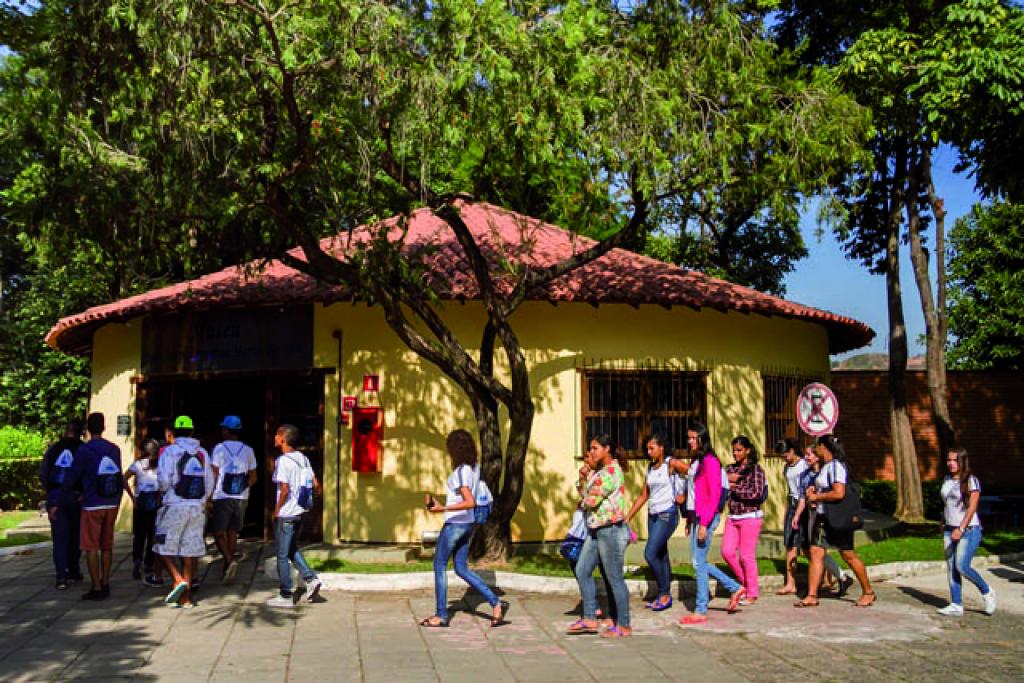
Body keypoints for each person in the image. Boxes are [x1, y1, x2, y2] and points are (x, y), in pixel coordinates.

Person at [420, 429, 507, 627]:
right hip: (468, 525)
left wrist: (443, 507)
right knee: (461, 568)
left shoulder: (460, 472)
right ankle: (495, 602)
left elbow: (469, 502)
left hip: (455, 525)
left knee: (439, 565)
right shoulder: (474, 468)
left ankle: (441, 615)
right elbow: (467, 499)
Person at [796, 434, 875, 608]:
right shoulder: (826, 467)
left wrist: (817, 496)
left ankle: (868, 591)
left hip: (837, 518)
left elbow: (839, 492)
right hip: (823, 517)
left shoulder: (836, 467)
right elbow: (825, 487)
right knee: (816, 552)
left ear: (825, 447)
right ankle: (812, 595)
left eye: (818, 446)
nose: (816, 449)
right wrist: (814, 490)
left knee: (848, 555)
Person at [679, 423, 745, 626]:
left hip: (706, 517)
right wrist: (691, 519)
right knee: (698, 561)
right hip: (697, 517)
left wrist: (704, 523)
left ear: (701, 438)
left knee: (698, 562)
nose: (689, 441)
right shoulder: (697, 461)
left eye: (692, 437)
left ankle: (700, 609)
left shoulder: (710, 461)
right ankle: (734, 587)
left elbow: (713, 493)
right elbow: (694, 494)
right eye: (688, 437)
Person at [567, 434, 632, 638]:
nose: (591, 452)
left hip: (610, 530)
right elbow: (585, 496)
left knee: (614, 578)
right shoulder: (600, 472)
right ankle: (589, 618)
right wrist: (584, 479)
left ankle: (624, 625)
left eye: (595, 448)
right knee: (582, 569)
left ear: (607, 449)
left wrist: (585, 494)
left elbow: (590, 501)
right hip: (596, 529)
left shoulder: (611, 472)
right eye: (591, 448)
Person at [55, 412, 123, 600]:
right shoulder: (114, 449)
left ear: (87, 429)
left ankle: (96, 586)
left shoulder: (84, 451)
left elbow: (72, 477)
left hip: (92, 503)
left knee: (91, 546)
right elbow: (117, 476)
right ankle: (106, 581)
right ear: (104, 427)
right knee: (107, 545)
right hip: (111, 502)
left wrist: (59, 499)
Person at [154, 415, 214, 609]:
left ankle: (178, 579)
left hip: (174, 505)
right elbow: (210, 482)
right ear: (191, 431)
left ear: (173, 433)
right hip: (197, 508)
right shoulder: (203, 453)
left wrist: (164, 494)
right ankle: (186, 598)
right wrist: (203, 501)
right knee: (189, 551)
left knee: (161, 545)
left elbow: (163, 480)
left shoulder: (170, 452)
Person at [625, 434, 689, 611]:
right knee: (660, 554)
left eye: (652, 448)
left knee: (650, 554)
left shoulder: (672, 463)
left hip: (667, 515)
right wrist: (628, 516)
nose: (648, 451)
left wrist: (684, 495)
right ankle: (664, 593)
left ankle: (664, 593)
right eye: (647, 448)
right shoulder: (651, 468)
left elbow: (695, 475)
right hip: (652, 515)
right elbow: (644, 495)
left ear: (662, 448)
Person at [267, 424, 324, 608]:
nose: (274, 437)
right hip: (300, 511)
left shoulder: (283, 461)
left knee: (282, 555)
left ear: (283, 438)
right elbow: (315, 483)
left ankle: (285, 594)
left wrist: (276, 510)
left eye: (277, 435)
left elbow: (284, 489)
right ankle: (310, 578)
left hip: (287, 514)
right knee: (291, 548)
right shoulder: (303, 459)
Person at [937, 447, 997, 617]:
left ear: (962, 461)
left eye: (955, 460)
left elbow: (972, 508)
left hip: (969, 530)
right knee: (951, 568)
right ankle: (956, 603)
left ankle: (987, 592)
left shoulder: (971, 480)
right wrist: (943, 521)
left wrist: (961, 528)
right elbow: (947, 503)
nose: (951, 463)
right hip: (949, 529)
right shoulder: (947, 479)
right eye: (949, 460)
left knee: (962, 566)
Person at [792, 445, 849, 596]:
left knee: (819, 550)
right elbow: (803, 498)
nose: (806, 457)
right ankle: (838, 578)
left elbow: (836, 492)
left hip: (826, 515)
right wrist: (797, 515)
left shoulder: (828, 470)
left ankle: (823, 585)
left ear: (818, 456)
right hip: (811, 515)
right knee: (813, 550)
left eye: (809, 454)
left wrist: (816, 497)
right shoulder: (805, 475)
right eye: (805, 454)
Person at [210, 415, 257, 584]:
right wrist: (244, 486)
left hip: (222, 495)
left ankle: (229, 561)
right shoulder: (248, 450)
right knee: (233, 532)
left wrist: (209, 495)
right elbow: (253, 476)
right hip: (241, 497)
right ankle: (227, 565)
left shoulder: (219, 449)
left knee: (218, 531)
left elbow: (214, 473)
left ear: (225, 430)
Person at [722, 435, 767, 606]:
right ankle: (745, 584)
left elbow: (756, 494)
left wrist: (736, 484)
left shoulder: (755, 470)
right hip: (733, 515)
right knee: (727, 552)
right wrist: (728, 486)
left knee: (746, 555)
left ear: (747, 450)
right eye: (734, 450)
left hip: (750, 516)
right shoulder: (730, 468)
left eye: (739, 450)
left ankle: (752, 592)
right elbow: (723, 488)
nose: (735, 453)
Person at [40, 419, 85, 590]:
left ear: (65, 432)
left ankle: (61, 577)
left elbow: (43, 474)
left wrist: (51, 493)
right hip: (77, 497)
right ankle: (73, 569)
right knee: (76, 536)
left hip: (57, 497)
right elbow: (89, 474)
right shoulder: (83, 449)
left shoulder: (53, 450)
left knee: (60, 538)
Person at [124, 438, 162, 583]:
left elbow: (124, 478)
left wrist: (132, 497)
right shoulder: (159, 465)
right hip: (155, 500)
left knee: (139, 534)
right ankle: (148, 562)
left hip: (141, 501)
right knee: (153, 534)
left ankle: (137, 560)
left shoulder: (137, 464)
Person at [776, 439, 807, 596]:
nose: (785, 457)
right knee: (790, 544)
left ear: (793, 450)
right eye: (782, 455)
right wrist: (787, 512)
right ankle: (790, 583)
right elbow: (790, 491)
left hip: (805, 505)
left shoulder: (804, 465)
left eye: (786, 453)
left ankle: (828, 577)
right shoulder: (786, 468)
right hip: (793, 504)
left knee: (809, 546)